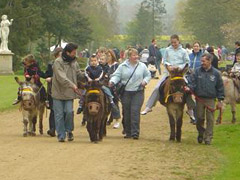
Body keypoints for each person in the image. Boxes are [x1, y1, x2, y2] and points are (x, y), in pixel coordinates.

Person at [141, 35, 190, 115]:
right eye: (172, 42)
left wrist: (179, 67)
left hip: (180, 74)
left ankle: (190, 109)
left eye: (175, 42)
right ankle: (149, 107)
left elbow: (187, 62)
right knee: (157, 88)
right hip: (168, 73)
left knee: (188, 89)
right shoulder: (167, 50)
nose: (173, 44)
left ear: (178, 41)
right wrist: (169, 66)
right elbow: (164, 61)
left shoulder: (183, 51)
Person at [109, 48, 151, 139]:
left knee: (135, 111)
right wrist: (112, 81)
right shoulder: (122, 66)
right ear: (129, 57)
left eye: (137, 55)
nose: (136, 57)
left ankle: (135, 132)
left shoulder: (142, 66)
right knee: (126, 112)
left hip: (138, 92)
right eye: (134, 55)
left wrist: (145, 81)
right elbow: (117, 76)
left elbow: (148, 75)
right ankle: (128, 132)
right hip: (126, 92)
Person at [185, 53, 224, 145]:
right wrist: (189, 88)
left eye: (204, 61)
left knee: (210, 119)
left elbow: (220, 88)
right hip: (199, 99)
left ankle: (208, 138)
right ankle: (201, 133)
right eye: (201, 61)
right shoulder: (197, 72)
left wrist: (220, 100)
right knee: (199, 118)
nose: (202, 63)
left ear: (209, 61)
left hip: (211, 99)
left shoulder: (216, 73)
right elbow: (192, 83)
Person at [52, 43, 83, 142]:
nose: (75, 54)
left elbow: (78, 73)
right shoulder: (58, 62)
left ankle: (69, 131)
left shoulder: (74, 62)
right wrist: (73, 85)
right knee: (59, 114)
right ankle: (61, 135)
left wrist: (87, 75)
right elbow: (61, 78)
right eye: (74, 52)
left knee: (69, 112)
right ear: (67, 52)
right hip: (58, 92)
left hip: (69, 93)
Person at [45, 47, 63, 137]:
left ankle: (61, 129)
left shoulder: (65, 64)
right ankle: (52, 128)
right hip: (52, 90)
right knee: (53, 109)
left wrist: (52, 78)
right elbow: (47, 74)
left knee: (62, 110)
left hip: (63, 90)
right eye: (59, 55)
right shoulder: (50, 64)